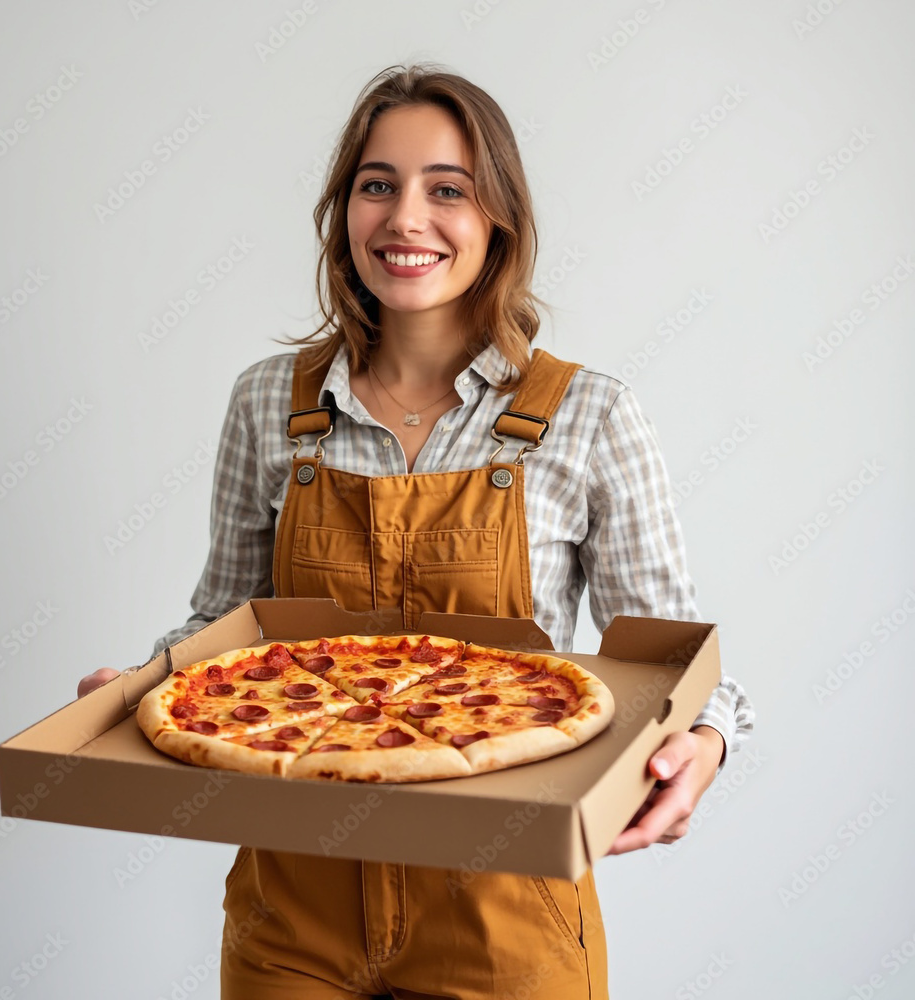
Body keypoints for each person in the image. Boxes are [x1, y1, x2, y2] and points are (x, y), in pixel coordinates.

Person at [78, 62, 754, 1000]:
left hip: (507, 915)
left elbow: (670, 662)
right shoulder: (271, 403)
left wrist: (707, 744)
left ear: (499, 220)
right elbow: (223, 625)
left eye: (448, 190)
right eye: (376, 186)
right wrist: (149, 681)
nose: (405, 219)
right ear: (343, 212)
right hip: (290, 911)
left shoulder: (592, 415)